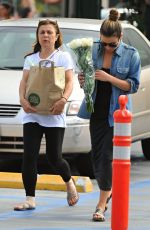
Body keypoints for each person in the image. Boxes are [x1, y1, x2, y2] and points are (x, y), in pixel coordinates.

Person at [78, 8, 141, 222]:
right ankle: (108, 190)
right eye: (104, 42)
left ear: (120, 38)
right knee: (97, 156)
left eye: (112, 44)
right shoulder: (92, 50)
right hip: (96, 110)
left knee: (106, 157)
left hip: (117, 114)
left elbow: (132, 86)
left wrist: (108, 78)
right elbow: (87, 77)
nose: (107, 47)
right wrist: (83, 80)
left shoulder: (131, 54)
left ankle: (101, 204)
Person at [14, 19, 79, 211]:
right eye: (42, 32)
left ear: (57, 36)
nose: (46, 36)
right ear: (38, 36)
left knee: (54, 158)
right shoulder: (30, 59)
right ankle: (30, 199)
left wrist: (63, 101)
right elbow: (24, 82)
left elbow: (69, 82)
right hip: (32, 115)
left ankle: (69, 182)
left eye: (49, 32)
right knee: (29, 156)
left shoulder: (63, 58)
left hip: (54, 115)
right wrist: (22, 100)